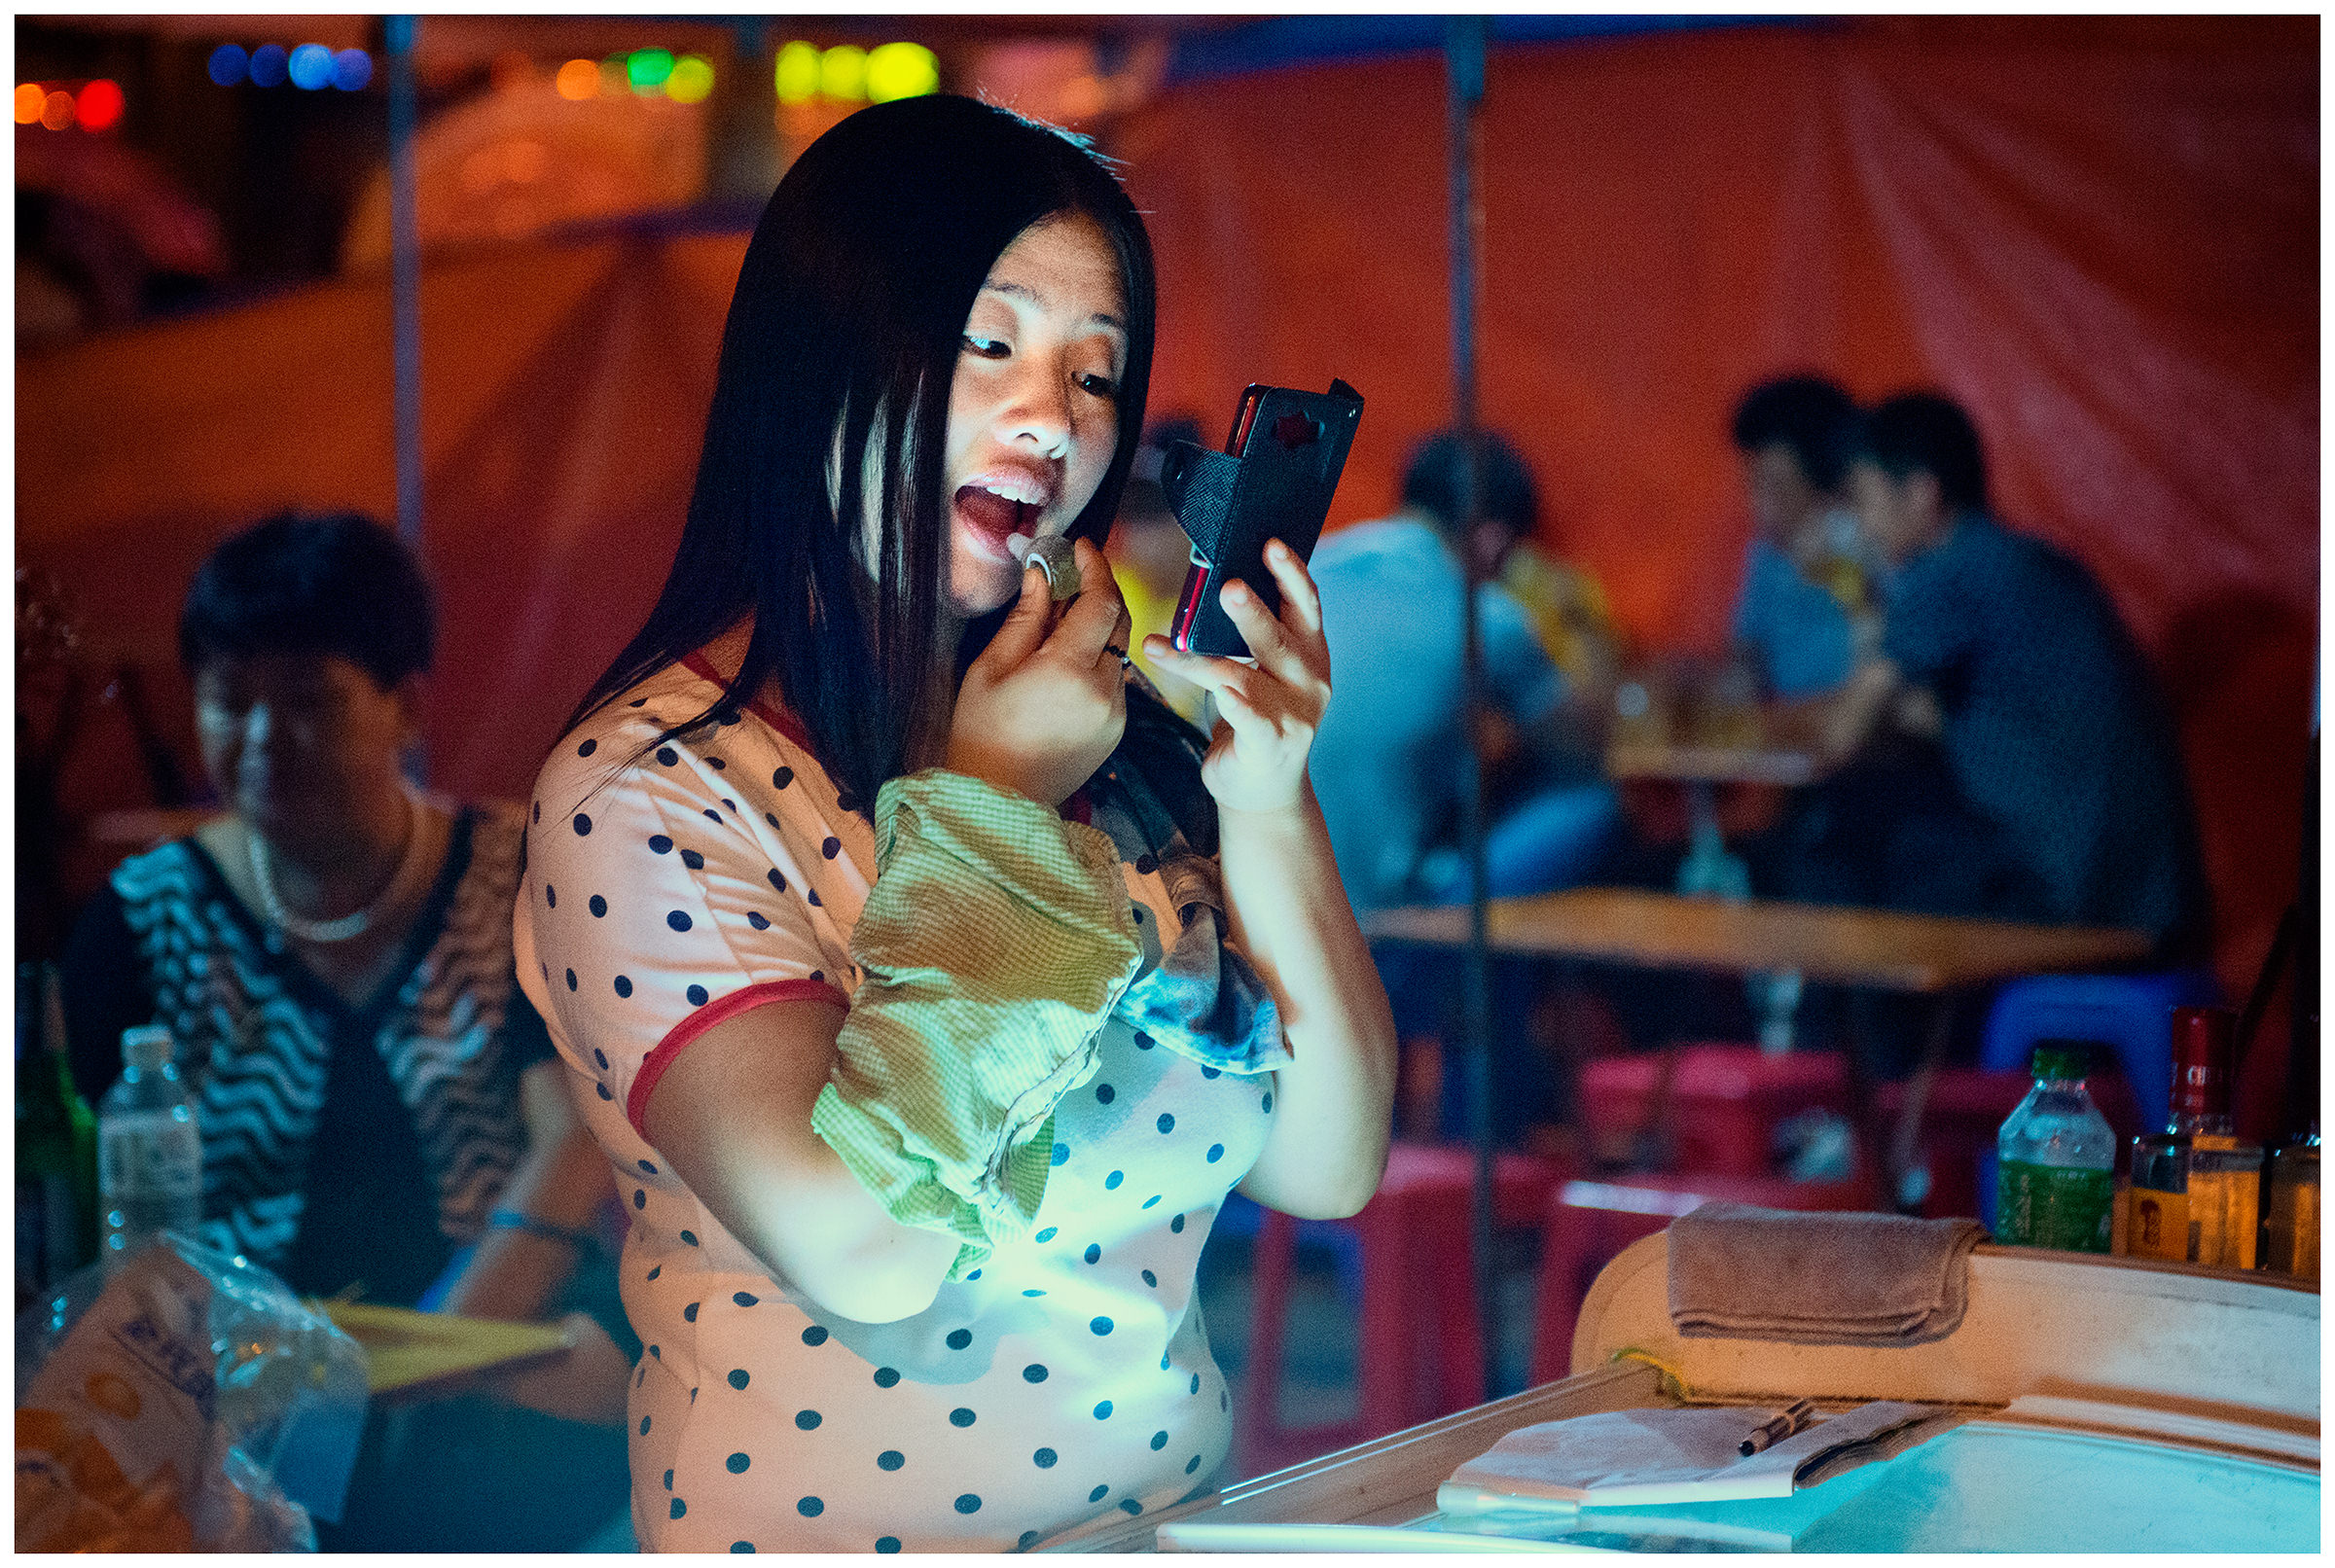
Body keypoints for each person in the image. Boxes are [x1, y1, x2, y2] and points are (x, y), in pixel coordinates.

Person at [517, 95, 1395, 1553]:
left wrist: (1265, 792)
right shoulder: (652, 789)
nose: (1054, 421)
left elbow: (1329, 1161)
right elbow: (868, 1249)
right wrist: (994, 807)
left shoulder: (1110, 749)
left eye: (1096, 374)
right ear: (820, 362)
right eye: (988, 345)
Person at [60, 512, 632, 1551]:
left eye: (310, 701)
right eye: (229, 702)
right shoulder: (144, 919)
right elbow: (91, 1203)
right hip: (237, 1388)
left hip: (492, 1343)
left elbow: (574, 1139)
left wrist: (424, 1360)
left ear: (407, 704)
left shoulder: (519, 876)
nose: (264, 740)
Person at [1781, 392, 2209, 953]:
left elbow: (1843, 734)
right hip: (2151, 886)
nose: (1858, 523)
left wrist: (1853, 596)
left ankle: (1833, 1039)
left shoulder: (1948, 573)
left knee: (1841, 849)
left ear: (1921, 493)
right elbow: (1970, 716)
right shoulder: (2017, 558)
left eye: (1862, 500)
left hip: (2073, 886)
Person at [1727, 374, 1877, 699]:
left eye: (1776, 489)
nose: (1760, 508)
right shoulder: (1767, 554)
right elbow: (1747, 648)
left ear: (1830, 487)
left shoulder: (1867, 541)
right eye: (1753, 488)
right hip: (1785, 735)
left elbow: (1868, 623)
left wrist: (1831, 565)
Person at [1106, 415, 1208, 724]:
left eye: (1156, 510)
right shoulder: (1106, 593)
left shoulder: (1225, 618)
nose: (1141, 535)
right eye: (1132, 511)